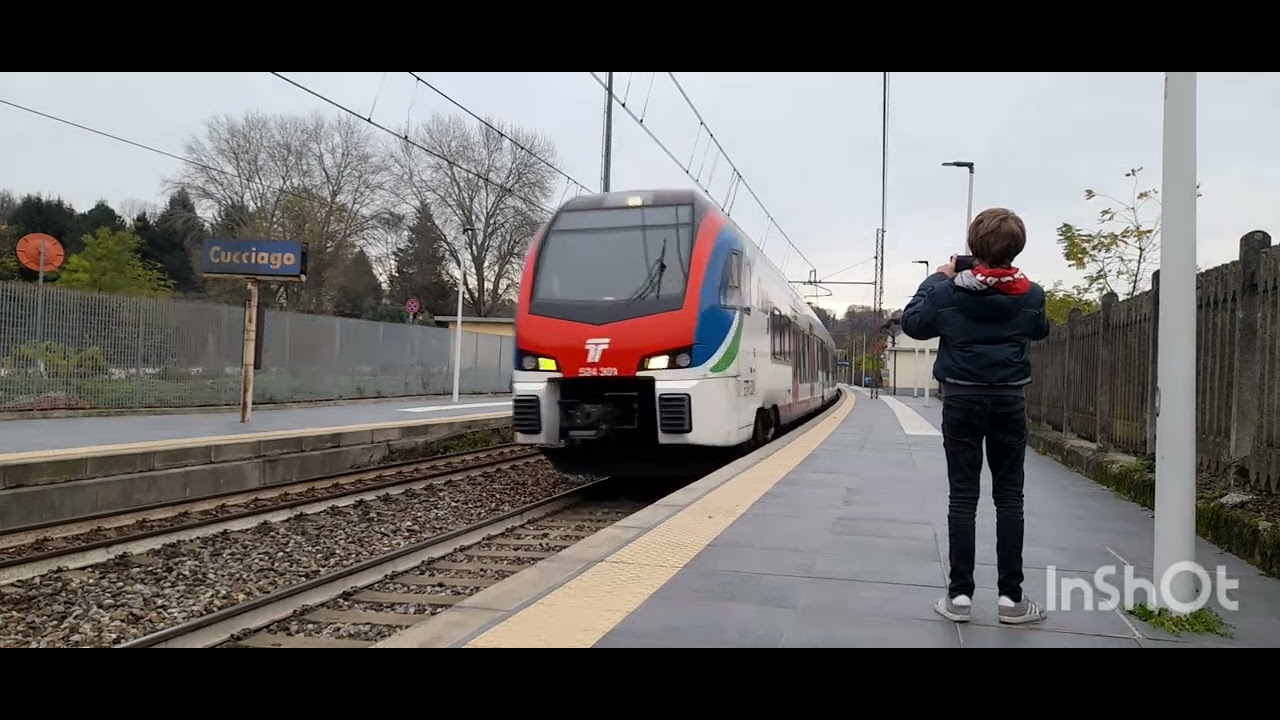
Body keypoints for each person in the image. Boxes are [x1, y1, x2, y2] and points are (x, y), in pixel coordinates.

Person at [900, 207, 1051, 625]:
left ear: (972, 249)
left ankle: (960, 598)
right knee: (1009, 497)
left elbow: (913, 324)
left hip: (962, 401)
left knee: (963, 497)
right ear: (1017, 247)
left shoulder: (949, 292)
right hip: (1009, 402)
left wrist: (937, 277)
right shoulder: (1031, 293)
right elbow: (1040, 330)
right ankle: (1011, 601)